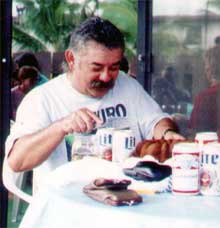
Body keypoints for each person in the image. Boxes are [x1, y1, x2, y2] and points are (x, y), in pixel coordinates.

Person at [5, 17, 184, 188]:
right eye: (96, 67)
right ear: (71, 59)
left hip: (125, 199)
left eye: (114, 67)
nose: (106, 76)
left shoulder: (126, 84)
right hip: (69, 209)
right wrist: (60, 127)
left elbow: (155, 121)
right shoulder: (42, 99)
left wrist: (167, 133)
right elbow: (16, 161)